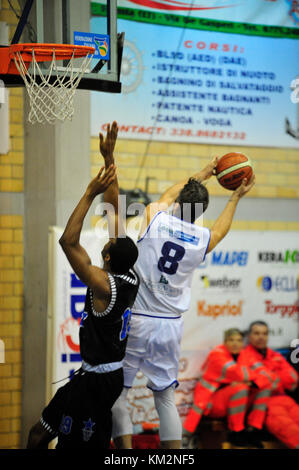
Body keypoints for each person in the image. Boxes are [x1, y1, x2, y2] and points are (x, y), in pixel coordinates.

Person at [111, 158, 255, 449]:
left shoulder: (154, 215)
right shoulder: (202, 238)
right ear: (200, 212)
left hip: (137, 317)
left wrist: (202, 174)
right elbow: (220, 231)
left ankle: (124, 454)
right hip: (169, 326)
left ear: (177, 202)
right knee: (165, 399)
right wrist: (235, 197)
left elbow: (168, 195)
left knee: (118, 395)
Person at [27, 122, 139, 449]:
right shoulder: (129, 275)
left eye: (108, 242)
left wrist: (90, 191)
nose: (108, 237)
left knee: (57, 441)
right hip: (102, 374)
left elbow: (68, 241)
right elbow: (115, 209)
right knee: (44, 435)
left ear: (106, 255)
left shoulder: (104, 285)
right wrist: (109, 159)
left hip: (99, 381)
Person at [182, 328, 273, 448]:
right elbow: (237, 373)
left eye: (239, 340)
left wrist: (252, 383)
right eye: (231, 340)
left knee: (264, 388)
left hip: (234, 401)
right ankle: (236, 432)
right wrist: (251, 379)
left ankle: (253, 431)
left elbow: (267, 375)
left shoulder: (245, 354)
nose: (235, 343)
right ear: (225, 342)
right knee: (240, 388)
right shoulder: (217, 354)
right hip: (212, 403)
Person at [239, 321, 299, 449]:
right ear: (249, 336)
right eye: (257, 333)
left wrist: (273, 379)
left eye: (264, 333)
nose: (261, 337)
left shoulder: (274, 355)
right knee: (288, 428)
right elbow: (264, 381)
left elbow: (293, 378)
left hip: (285, 399)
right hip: (263, 403)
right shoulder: (244, 355)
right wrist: (278, 378)